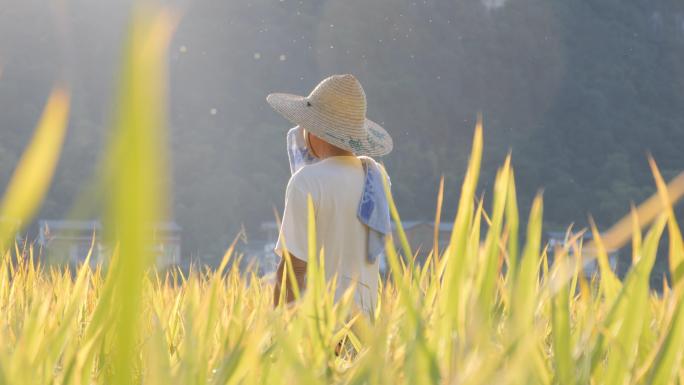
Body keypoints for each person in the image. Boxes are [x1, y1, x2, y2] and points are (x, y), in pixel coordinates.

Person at [266, 74, 393, 315]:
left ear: (315, 130)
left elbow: (294, 269)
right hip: (366, 328)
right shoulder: (376, 178)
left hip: (323, 327)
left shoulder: (306, 182)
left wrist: (281, 335)